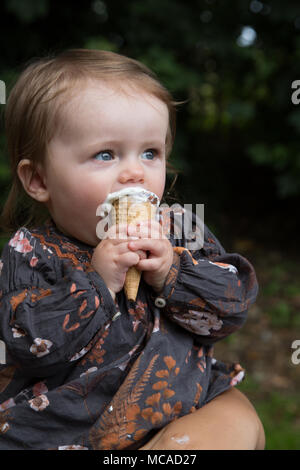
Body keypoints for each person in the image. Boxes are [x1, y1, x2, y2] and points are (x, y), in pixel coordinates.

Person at [0, 49, 264, 450]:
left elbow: (231, 307)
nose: (135, 171)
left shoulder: (181, 232)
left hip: (185, 402)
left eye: (150, 153)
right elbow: (26, 344)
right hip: (72, 432)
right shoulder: (31, 253)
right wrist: (98, 284)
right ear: (38, 179)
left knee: (236, 426)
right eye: (105, 154)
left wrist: (172, 273)